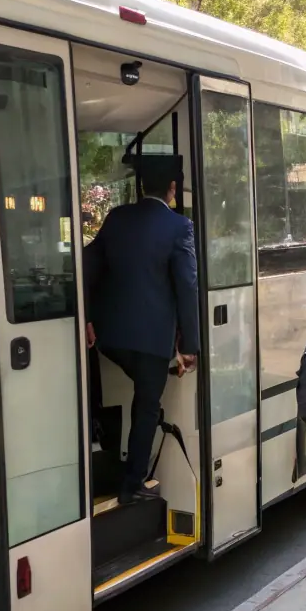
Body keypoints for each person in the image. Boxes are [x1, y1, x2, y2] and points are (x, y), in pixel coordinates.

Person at [84, 161, 199, 505]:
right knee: (147, 405)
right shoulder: (179, 227)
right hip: (149, 343)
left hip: (110, 339)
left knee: (136, 388)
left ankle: (108, 455)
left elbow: (89, 265)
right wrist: (189, 346)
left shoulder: (117, 218)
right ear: (172, 190)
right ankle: (131, 485)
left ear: (141, 186)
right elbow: (187, 285)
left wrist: (88, 318)